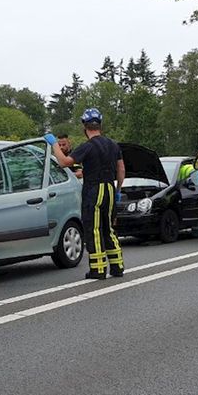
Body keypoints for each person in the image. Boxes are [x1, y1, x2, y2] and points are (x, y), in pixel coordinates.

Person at [49, 109, 126, 279]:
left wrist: (54, 144)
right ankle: (117, 266)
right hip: (110, 188)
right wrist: (118, 189)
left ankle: (98, 269)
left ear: (85, 127)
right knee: (109, 228)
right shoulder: (113, 145)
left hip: (94, 189)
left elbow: (63, 162)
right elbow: (121, 169)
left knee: (94, 229)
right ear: (100, 125)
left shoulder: (87, 146)